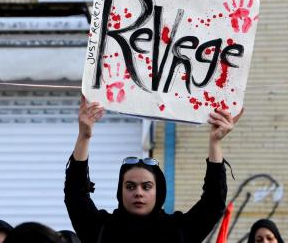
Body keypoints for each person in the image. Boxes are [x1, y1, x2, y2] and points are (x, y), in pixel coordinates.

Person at [64, 95, 243, 243]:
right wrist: (84, 136)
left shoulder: (179, 231)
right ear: (120, 190)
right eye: (130, 186)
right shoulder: (100, 229)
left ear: (159, 191)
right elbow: (75, 196)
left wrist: (215, 142)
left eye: (147, 186)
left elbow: (213, 201)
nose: (138, 193)